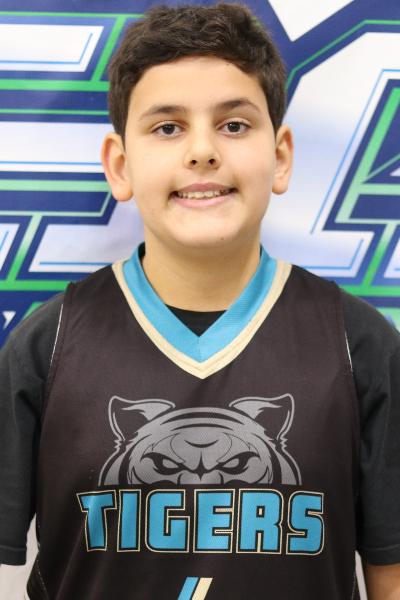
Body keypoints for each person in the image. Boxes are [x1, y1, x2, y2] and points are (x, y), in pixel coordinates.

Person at [0, 3, 400, 599]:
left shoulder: (360, 345)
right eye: (168, 127)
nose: (202, 151)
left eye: (234, 125)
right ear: (119, 165)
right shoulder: (47, 345)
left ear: (280, 157)